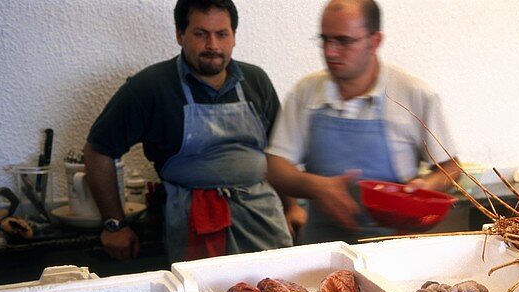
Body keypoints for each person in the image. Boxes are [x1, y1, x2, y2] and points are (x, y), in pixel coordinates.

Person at [84, 0, 293, 262]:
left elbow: (280, 153)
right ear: (180, 35)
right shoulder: (150, 86)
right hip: (192, 221)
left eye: (221, 34)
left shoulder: (255, 80)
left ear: (234, 37)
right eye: (201, 34)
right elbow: (97, 151)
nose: (213, 46)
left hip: (263, 217)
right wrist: (114, 224)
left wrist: (293, 206)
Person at [266, 0, 461, 244]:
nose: (330, 52)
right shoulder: (306, 93)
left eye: (343, 41)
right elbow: (275, 167)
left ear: (375, 41)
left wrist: (424, 188)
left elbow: (451, 168)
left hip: (391, 247)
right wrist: (317, 186)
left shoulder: (413, 94)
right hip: (321, 247)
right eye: (325, 40)